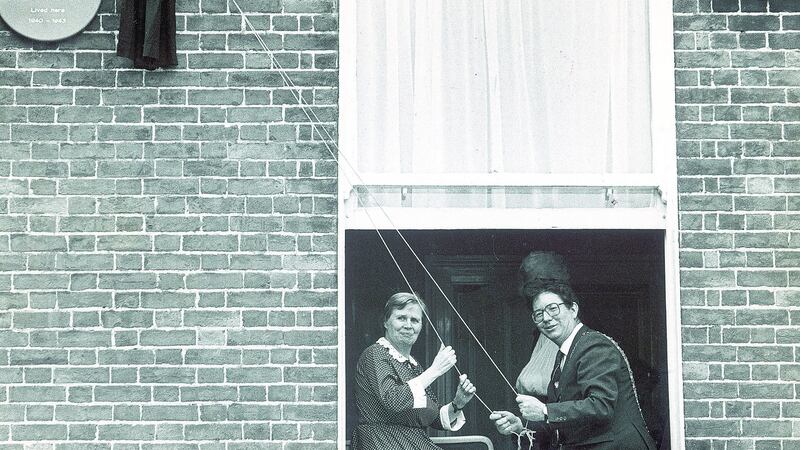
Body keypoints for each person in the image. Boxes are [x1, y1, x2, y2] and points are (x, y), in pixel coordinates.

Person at [491, 282, 656, 450]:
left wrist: (545, 411)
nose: (546, 318)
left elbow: (601, 406)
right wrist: (521, 426)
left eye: (553, 308)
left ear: (573, 309)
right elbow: (567, 423)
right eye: (538, 314)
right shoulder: (565, 354)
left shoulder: (593, 345)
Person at [352, 292, 476, 450]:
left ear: (421, 326)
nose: (408, 325)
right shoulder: (375, 354)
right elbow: (393, 401)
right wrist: (434, 370)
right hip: (380, 442)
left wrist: (458, 403)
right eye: (401, 318)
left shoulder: (414, 366)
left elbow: (433, 416)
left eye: (415, 320)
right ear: (385, 322)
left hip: (413, 443)